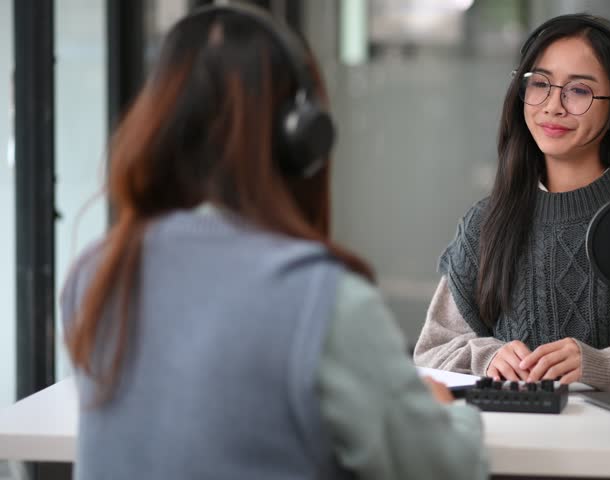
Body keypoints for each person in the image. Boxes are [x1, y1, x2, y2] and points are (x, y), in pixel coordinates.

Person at [60, 5, 487, 480]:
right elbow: (445, 469)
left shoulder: (97, 272)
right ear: (301, 142)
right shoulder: (322, 301)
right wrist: (450, 412)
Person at [414, 14, 610, 391]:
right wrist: (489, 356)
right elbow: (433, 351)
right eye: (540, 84)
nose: (553, 106)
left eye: (579, 90)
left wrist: (607, 365)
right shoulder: (485, 223)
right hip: (517, 443)